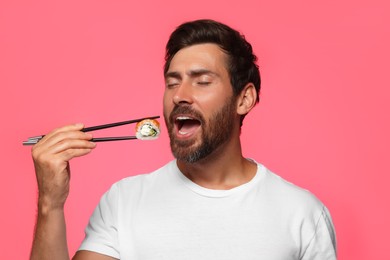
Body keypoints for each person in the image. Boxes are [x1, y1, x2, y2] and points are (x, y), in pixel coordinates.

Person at [30, 19, 337, 260]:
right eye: (172, 83)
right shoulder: (123, 201)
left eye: (202, 81)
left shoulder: (301, 213)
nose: (179, 96)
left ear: (244, 99)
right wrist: (50, 204)